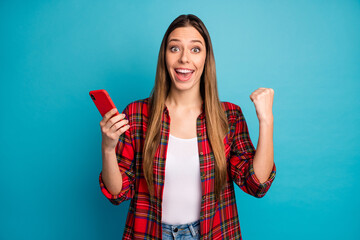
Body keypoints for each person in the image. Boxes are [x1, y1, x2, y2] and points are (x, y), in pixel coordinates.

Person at [98, 14, 276, 240]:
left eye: (195, 49)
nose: (184, 58)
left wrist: (266, 121)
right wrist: (107, 147)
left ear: (206, 58)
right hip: (150, 234)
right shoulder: (136, 114)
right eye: (174, 48)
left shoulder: (228, 116)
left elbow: (256, 184)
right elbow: (117, 193)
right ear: (164, 56)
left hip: (212, 234)